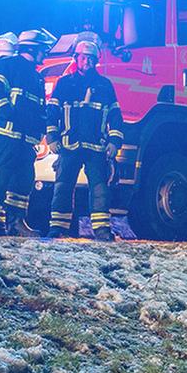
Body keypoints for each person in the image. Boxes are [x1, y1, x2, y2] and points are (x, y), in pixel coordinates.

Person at [0, 30, 53, 235]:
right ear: (32, 49)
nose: (45, 54)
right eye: (43, 50)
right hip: (6, 135)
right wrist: (6, 111)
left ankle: (17, 222)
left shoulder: (36, 76)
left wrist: (42, 125)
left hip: (26, 140)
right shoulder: (7, 65)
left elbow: (38, 106)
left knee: (23, 181)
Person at [45, 36, 126, 240]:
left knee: (100, 189)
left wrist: (114, 142)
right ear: (76, 58)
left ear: (96, 60)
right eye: (83, 58)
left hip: (96, 147)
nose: (87, 62)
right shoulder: (64, 84)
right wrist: (52, 138)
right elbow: (52, 112)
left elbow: (116, 116)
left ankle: (101, 230)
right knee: (63, 186)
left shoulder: (105, 85)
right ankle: (58, 228)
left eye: (91, 58)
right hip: (69, 145)